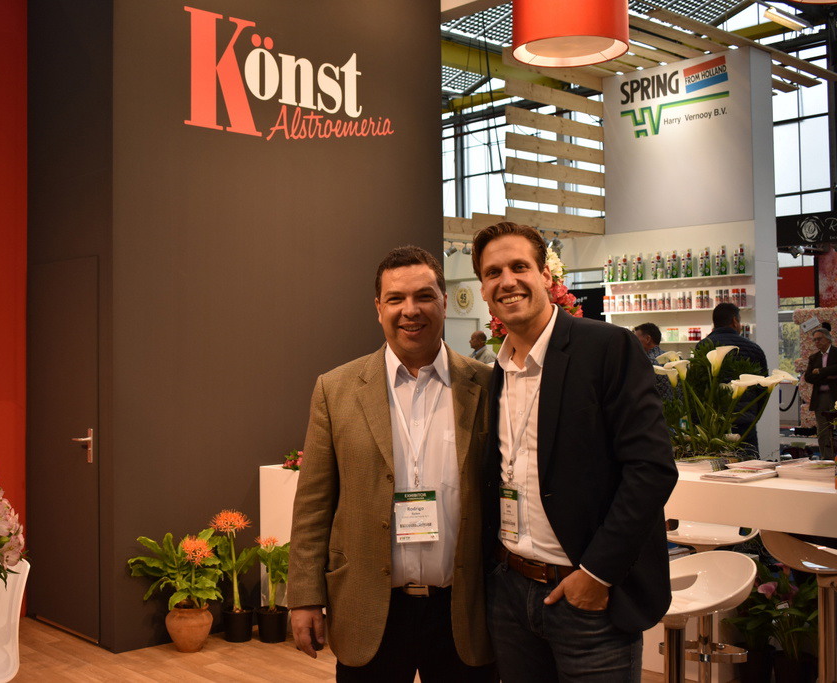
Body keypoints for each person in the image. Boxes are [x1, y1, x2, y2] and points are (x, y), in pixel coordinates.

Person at [472, 222, 677, 682]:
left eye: (519, 266)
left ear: (546, 275)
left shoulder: (606, 347)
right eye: (493, 272)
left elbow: (651, 469)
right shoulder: (494, 373)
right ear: (483, 288)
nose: (507, 281)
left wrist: (597, 574)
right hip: (509, 591)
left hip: (587, 598)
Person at [288, 245, 494, 681]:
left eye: (424, 296)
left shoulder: (487, 386)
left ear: (444, 301)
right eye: (396, 298)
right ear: (378, 307)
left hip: (462, 610)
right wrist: (304, 597)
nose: (410, 310)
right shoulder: (336, 389)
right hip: (369, 608)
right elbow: (313, 505)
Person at [698, 303, 769, 453]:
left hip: (712, 421)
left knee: (715, 462)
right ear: (735, 321)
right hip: (744, 420)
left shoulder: (703, 346)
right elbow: (763, 388)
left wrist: (699, 418)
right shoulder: (753, 348)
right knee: (748, 461)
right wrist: (753, 414)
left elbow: (696, 385)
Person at [805, 327, 836, 461]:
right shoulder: (814, 357)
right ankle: (827, 458)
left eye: (819, 339)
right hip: (820, 397)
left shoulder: (836, 353)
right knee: (823, 430)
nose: (817, 342)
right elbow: (808, 377)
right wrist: (829, 376)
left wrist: (821, 372)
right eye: (815, 340)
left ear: (828, 339)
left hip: (835, 395)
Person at [633, 322, 671, 400]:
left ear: (647, 339)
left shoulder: (644, 362)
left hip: (655, 407)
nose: (633, 343)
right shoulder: (675, 358)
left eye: (635, 339)